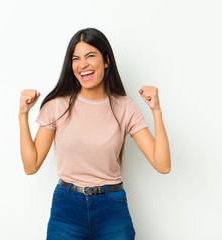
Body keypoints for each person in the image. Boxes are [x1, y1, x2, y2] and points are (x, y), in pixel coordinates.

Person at [18, 28, 171, 240]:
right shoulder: (57, 106)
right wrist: (23, 116)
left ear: (106, 61)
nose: (83, 65)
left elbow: (162, 165)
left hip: (112, 209)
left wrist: (156, 111)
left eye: (90, 56)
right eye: (76, 58)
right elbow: (31, 165)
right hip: (67, 207)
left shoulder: (125, 107)